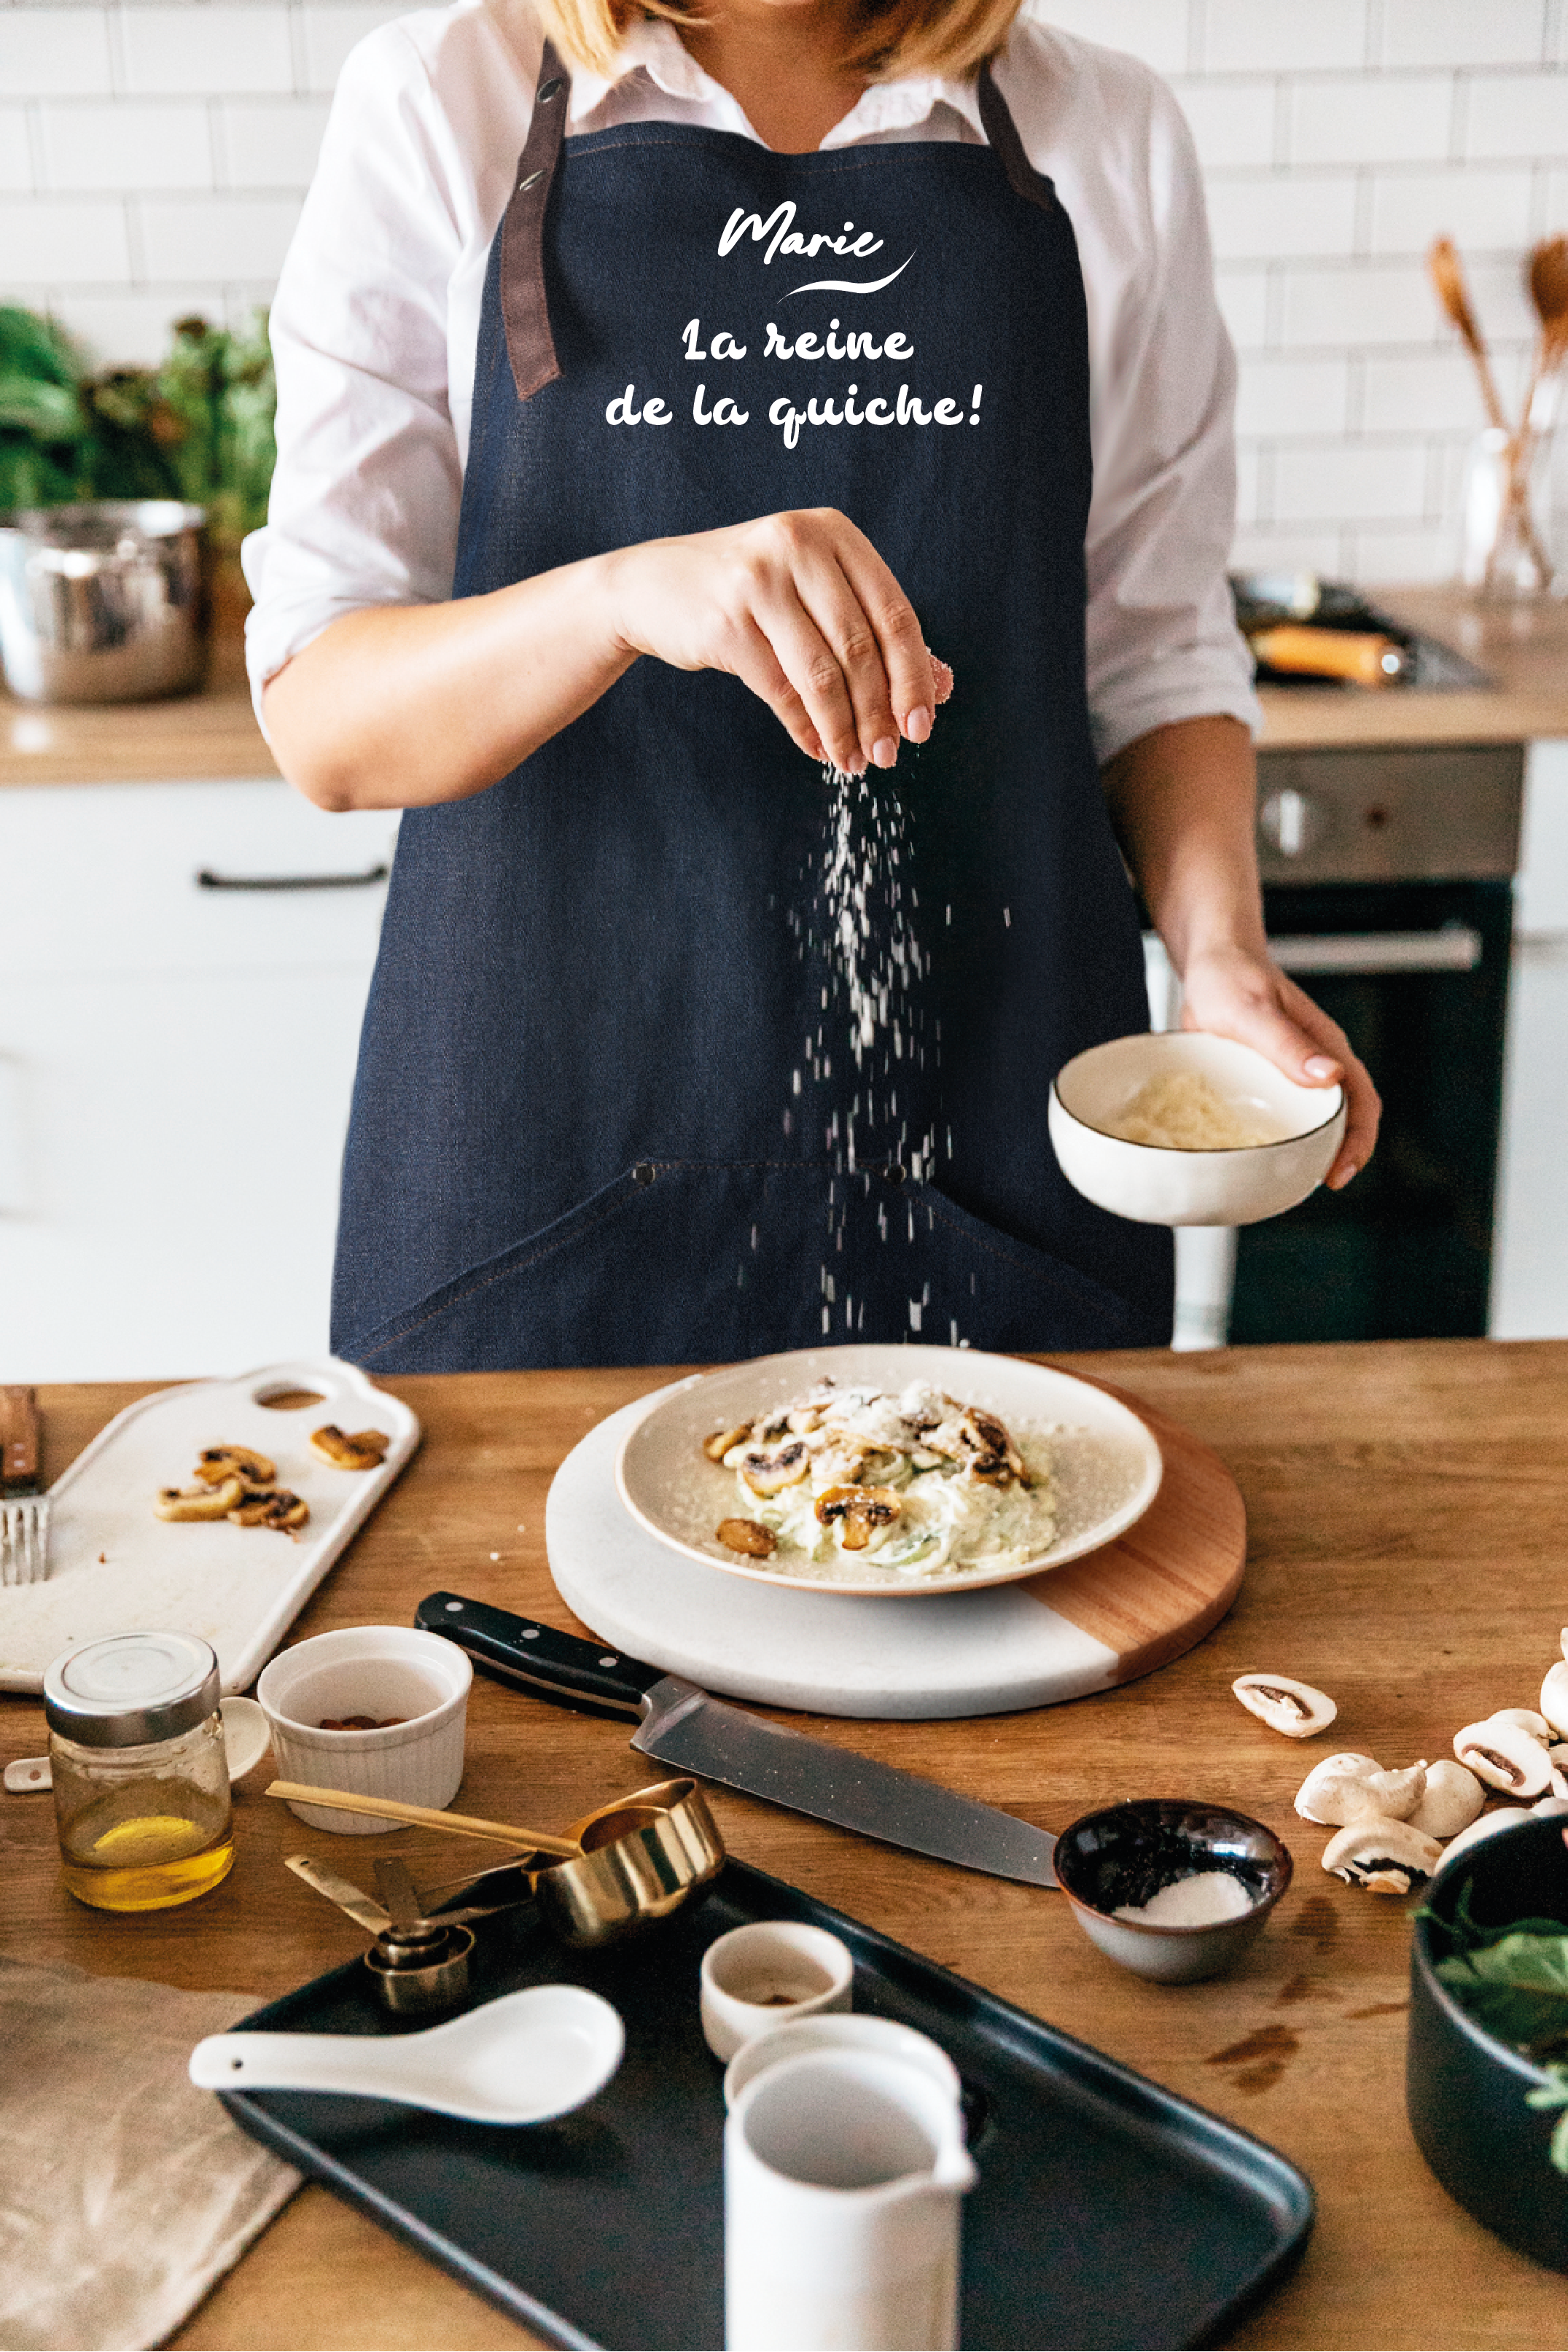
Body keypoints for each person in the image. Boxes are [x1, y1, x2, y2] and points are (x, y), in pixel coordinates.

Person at [246, 0, 1379, 1372]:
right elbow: (325, 717)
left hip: (992, 1144)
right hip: (540, 1152)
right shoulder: (445, 101)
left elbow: (1154, 650)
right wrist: (616, 598)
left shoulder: (1104, 132)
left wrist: (1219, 956)